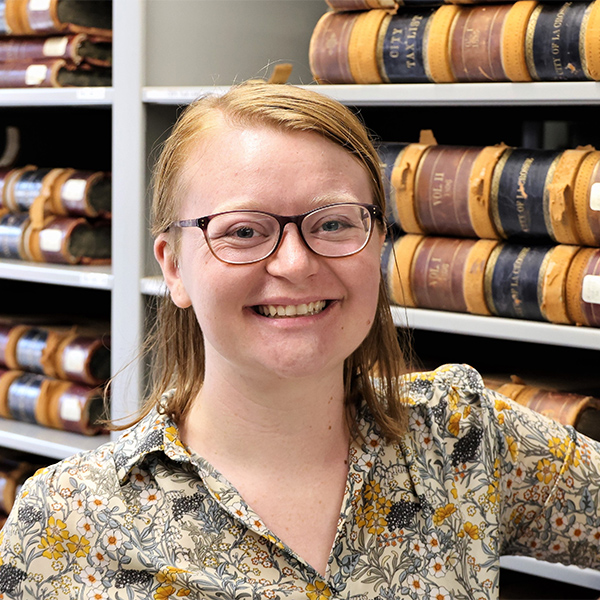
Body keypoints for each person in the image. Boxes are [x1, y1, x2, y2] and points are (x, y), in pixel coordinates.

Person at [1, 82, 599, 600]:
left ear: (378, 243)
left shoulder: (465, 437)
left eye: (334, 223)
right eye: (242, 231)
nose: (294, 263)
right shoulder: (68, 523)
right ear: (174, 267)